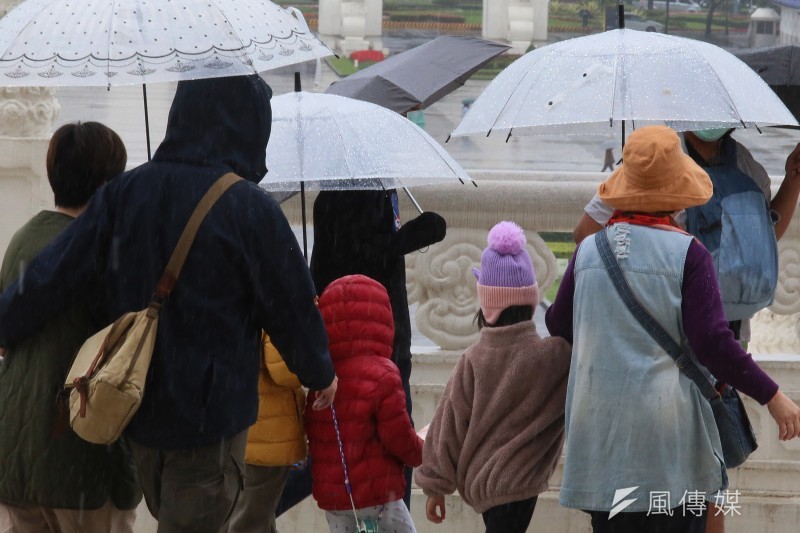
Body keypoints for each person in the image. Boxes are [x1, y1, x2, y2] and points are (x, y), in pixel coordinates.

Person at [0, 75, 337, 533]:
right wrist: (320, 373)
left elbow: (53, 273)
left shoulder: (125, 193)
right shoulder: (249, 208)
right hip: (209, 417)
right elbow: (292, 309)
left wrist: (6, 324)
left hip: (140, 409)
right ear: (250, 125)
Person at [546, 125, 800, 532]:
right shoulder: (689, 254)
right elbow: (712, 342)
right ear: (678, 192)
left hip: (601, 441)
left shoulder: (589, 251)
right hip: (667, 444)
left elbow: (558, 324)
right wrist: (773, 396)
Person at [0, 122, 141, 532]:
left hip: (17, 451)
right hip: (81, 455)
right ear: (106, 184)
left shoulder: (23, 239)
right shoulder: (104, 249)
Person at [273, 189, 445, 512]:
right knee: (384, 443)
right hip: (378, 344)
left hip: (341, 343)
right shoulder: (362, 194)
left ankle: (260, 506)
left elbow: (326, 267)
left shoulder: (328, 198)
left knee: (333, 444)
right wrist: (419, 232)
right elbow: (371, 251)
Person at [416, 221, 571, 533]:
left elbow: (448, 426)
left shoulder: (473, 360)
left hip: (482, 482)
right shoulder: (554, 357)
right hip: (522, 481)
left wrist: (435, 486)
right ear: (531, 300)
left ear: (485, 304)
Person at [305, 274, 423, 532]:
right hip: (381, 498)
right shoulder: (383, 374)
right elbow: (399, 436)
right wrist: (421, 451)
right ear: (383, 320)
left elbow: (315, 436)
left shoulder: (323, 380)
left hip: (336, 499)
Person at [223, 334, 307, 533]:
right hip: (266, 435)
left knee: (256, 517)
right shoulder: (279, 304)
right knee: (249, 522)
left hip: (241, 428)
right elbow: (285, 370)